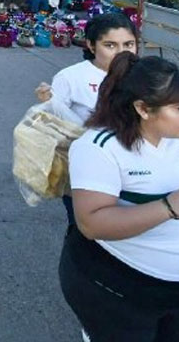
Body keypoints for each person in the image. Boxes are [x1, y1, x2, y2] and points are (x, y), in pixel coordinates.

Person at [60, 53, 179, 341]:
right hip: (120, 289)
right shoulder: (99, 147)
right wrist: (167, 207)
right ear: (143, 109)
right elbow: (91, 223)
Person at [35, 13, 139, 226]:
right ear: (91, 46)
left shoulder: (144, 75)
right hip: (86, 172)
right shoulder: (72, 77)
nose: (121, 53)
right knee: (86, 230)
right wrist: (49, 104)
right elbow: (55, 127)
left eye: (129, 44)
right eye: (110, 45)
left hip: (133, 171)